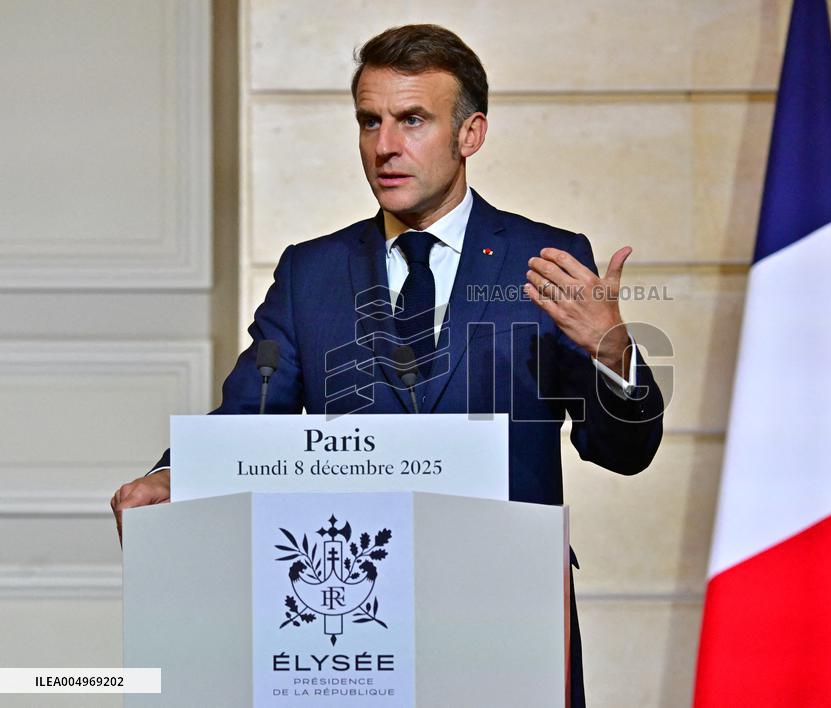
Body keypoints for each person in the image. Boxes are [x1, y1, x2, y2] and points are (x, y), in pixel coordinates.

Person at [111, 24, 664, 706]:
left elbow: (623, 450)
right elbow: (249, 418)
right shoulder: (311, 272)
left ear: (471, 134)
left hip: (507, 627)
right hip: (354, 637)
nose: (384, 146)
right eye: (369, 122)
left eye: (412, 120)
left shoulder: (543, 260)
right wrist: (173, 476)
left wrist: (612, 351)